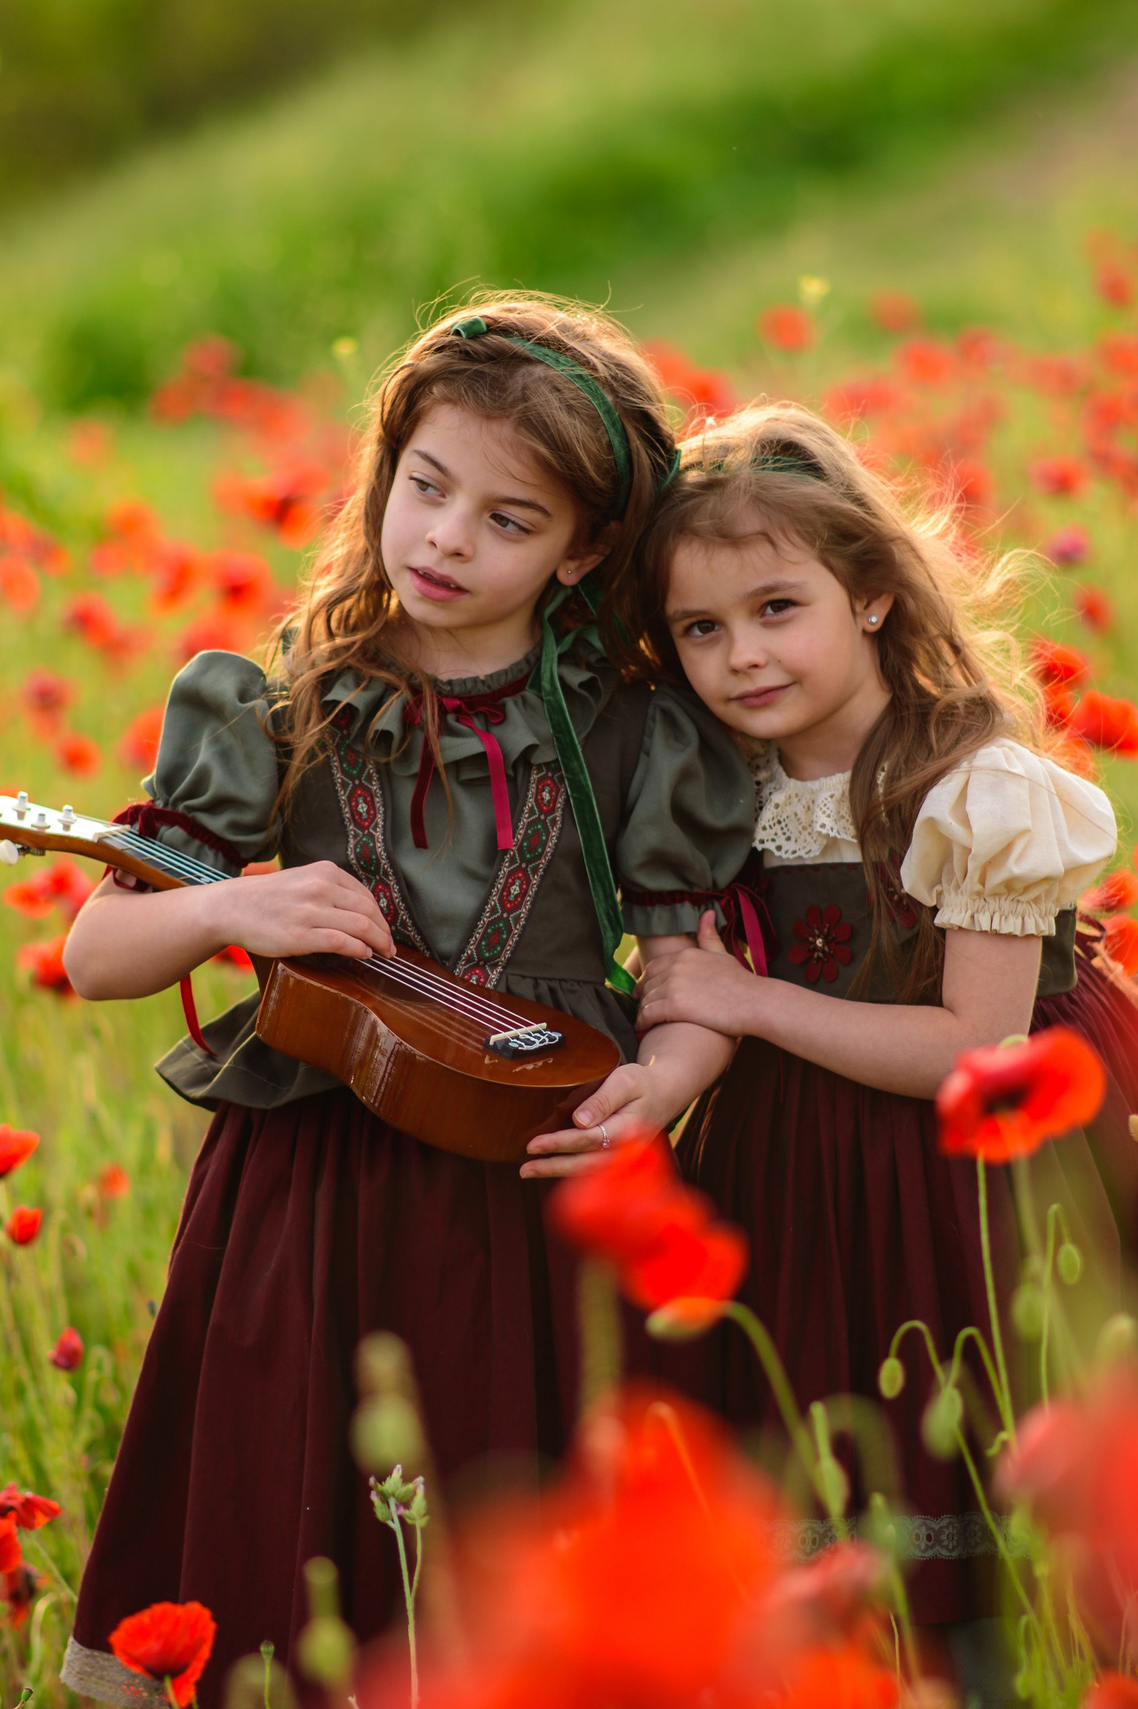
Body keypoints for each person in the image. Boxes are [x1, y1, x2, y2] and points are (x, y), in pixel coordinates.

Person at [56, 296, 755, 1706]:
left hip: (535, 1190)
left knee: (512, 1542)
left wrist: (666, 1079)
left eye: (508, 519)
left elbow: (691, 979)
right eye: (426, 488)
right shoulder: (282, 698)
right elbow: (96, 954)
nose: (445, 537)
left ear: (586, 548)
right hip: (312, 1198)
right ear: (385, 469)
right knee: (304, 1542)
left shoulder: (635, 726)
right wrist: (229, 905)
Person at [624, 401, 1138, 1706]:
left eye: (773, 607)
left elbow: (974, 1046)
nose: (739, 655)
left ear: (867, 592)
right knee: (857, 1500)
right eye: (701, 628)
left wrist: (748, 1003)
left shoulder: (974, 785)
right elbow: (693, 983)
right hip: (804, 1173)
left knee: (1047, 1471)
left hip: (1005, 1162)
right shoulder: (718, 786)